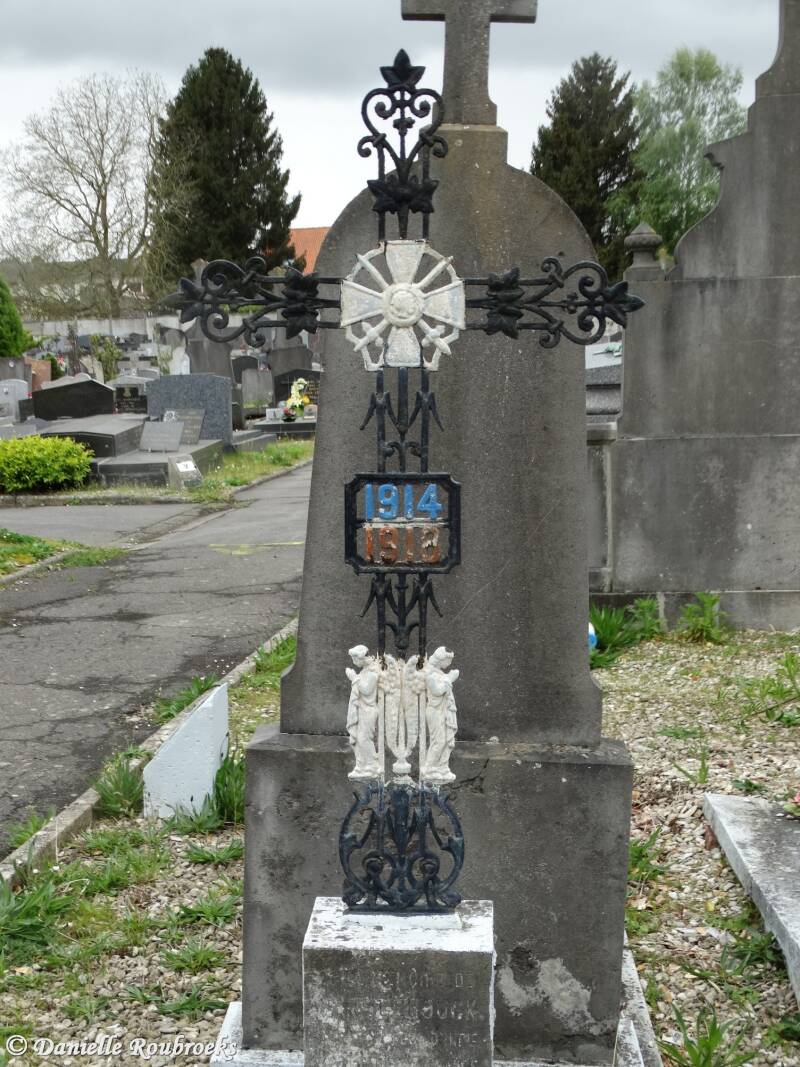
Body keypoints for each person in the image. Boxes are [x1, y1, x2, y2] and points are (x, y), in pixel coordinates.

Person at [345, 646, 380, 779]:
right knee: (359, 739)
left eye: (355, 658)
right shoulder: (365, 671)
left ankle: (371, 765)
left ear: (362, 658)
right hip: (362, 709)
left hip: (369, 710)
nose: (353, 661)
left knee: (365, 738)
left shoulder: (372, 673)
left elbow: (366, 690)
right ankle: (361, 765)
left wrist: (354, 678)